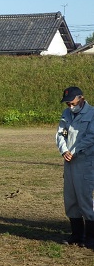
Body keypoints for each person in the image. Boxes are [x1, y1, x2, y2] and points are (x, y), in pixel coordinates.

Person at [56, 86, 94, 248]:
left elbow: (91, 136)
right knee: (70, 199)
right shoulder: (66, 114)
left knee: (85, 199)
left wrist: (74, 151)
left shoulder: (92, 114)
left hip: (85, 162)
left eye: (72, 103)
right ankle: (76, 235)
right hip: (69, 162)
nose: (70, 107)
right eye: (68, 104)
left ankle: (91, 237)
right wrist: (64, 150)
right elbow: (60, 134)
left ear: (81, 98)